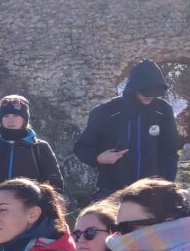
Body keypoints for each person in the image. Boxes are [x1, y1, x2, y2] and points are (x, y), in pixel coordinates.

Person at [73, 59, 181, 200]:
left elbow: (170, 152)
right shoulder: (108, 110)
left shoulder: (163, 110)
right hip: (112, 191)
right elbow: (81, 147)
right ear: (133, 87)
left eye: (154, 93)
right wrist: (98, 158)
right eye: (145, 92)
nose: (149, 97)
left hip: (151, 191)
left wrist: (168, 185)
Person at [0, 95, 65, 193]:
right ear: (1, 120)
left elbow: (56, 187)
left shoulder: (40, 148)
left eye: (16, 115)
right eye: (6, 116)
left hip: (30, 208)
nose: (11, 120)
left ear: (25, 119)